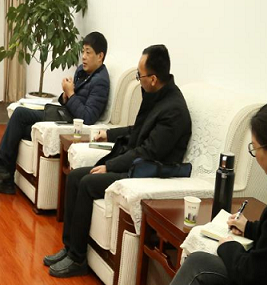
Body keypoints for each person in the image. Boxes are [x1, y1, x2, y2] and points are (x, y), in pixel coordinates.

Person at [46, 44, 192, 278]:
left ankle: (78, 259)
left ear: (153, 79)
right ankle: (70, 248)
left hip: (147, 173)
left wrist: (110, 166)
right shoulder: (156, 95)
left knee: (87, 183)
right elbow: (139, 130)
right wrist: (110, 134)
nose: (138, 80)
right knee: (75, 177)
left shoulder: (173, 110)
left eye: (140, 76)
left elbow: (148, 152)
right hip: (135, 163)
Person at [170, 99, 267, 285]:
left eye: (255, 148)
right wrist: (249, 228)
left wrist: (228, 247)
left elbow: (253, 274)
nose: (255, 155)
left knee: (197, 264)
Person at [0, 32, 111, 194]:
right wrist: (65, 95)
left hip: (69, 122)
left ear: (100, 56)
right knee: (20, 125)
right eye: (83, 51)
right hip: (63, 113)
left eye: (88, 52)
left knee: (20, 114)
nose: (83, 57)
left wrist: (70, 94)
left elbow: (88, 117)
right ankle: (6, 179)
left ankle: (2, 168)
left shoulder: (101, 81)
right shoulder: (82, 71)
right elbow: (71, 100)